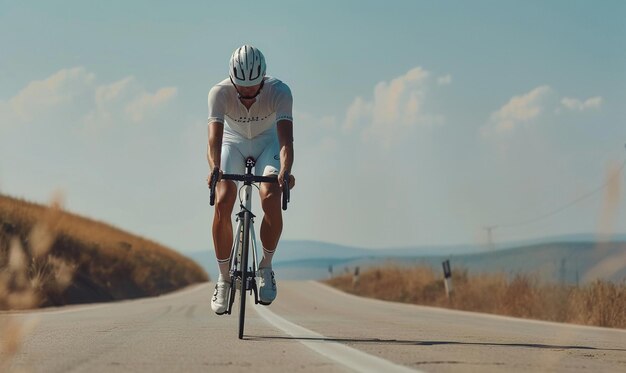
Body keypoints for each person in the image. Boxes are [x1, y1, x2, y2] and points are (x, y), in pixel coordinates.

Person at [206, 45, 295, 314]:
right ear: (231, 80)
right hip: (233, 143)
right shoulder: (219, 93)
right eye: (240, 88)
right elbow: (214, 140)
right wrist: (214, 168)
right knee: (223, 201)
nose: (246, 94)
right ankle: (223, 279)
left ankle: (265, 267)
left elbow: (285, 141)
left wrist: (285, 171)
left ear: (263, 80)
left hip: (267, 144)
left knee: (270, 196)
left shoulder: (280, 92)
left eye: (252, 88)